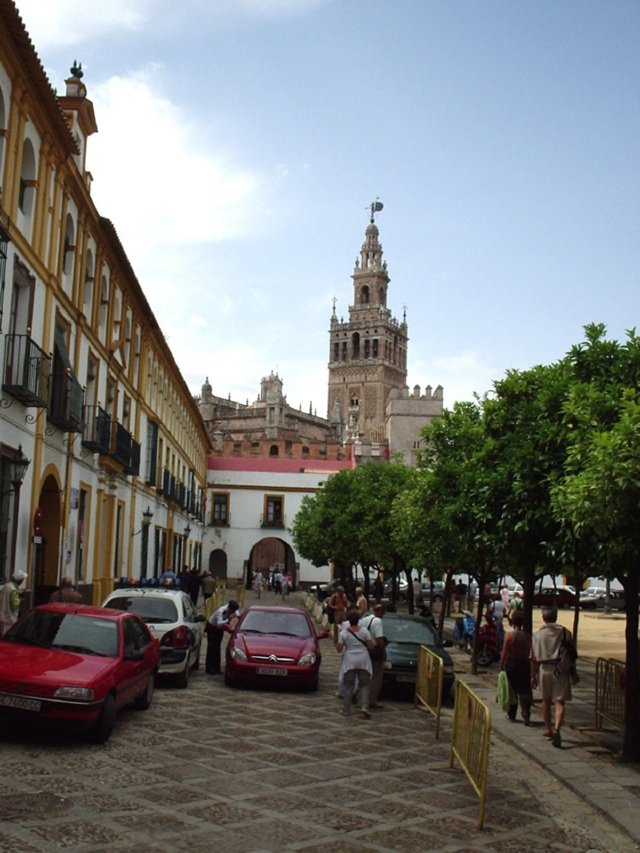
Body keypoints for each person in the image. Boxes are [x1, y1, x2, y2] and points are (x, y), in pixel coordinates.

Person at [531, 605, 578, 748]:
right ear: (556, 616)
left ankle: (548, 729)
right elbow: (571, 654)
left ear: (543, 617)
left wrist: (533, 675)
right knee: (560, 702)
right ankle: (557, 728)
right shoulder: (565, 633)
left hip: (544, 668)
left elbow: (534, 658)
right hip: (561, 669)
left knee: (545, 701)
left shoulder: (537, 636)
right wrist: (573, 671)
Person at [336, 609, 374, 718]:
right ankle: (364, 707)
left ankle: (346, 709)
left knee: (348, 685)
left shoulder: (344, 633)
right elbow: (370, 646)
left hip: (349, 661)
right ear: (358, 620)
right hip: (363, 660)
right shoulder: (365, 631)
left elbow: (339, 649)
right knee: (365, 685)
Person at [499, 610, 532, 724]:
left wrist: (501, 664)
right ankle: (526, 713)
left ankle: (512, 714)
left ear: (513, 621)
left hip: (512, 664)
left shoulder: (509, 635)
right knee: (524, 691)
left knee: (512, 690)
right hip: (524, 664)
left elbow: (504, 651)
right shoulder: (527, 636)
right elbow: (530, 652)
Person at [359, 602, 386, 709]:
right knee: (376, 677)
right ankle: (372, 700)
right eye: (383, 612)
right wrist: (383, 651)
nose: (383, 614)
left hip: (364, 650)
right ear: (380, 611)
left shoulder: (365, 619)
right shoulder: (377, 621)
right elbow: (379, 639)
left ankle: (356, 693)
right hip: (374, 652)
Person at [206, 600, 240, 674]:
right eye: (231, 611)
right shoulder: (221, 611)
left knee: (217, 647)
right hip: (212, 627)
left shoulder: (233, 610)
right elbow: (219, 624)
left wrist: (237, 616)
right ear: (229, 608)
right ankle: (209, 668)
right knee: (212, 647)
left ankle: (217, 667)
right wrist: (229, 619)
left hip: (220, 629)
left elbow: (237, 613)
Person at [0, 570, 27, 635]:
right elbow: (15, 605)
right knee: (7, 634)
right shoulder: (13, 590)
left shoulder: (6, 586)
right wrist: (20, 600)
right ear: (19, 581)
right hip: (9, 618)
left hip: (2, 616)